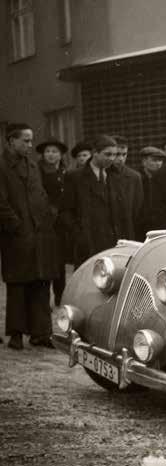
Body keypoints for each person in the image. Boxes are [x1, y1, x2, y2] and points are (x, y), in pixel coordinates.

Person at [0, 124, 58, 349]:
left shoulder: (32, 165)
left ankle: (41, 333)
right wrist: (15, 225)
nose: (30, 145)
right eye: (25, 141)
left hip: (39, 233)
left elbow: (40, 194)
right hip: (16, 235)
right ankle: (16, 334)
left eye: (31, 141)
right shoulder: (2, 166)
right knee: (18, 283)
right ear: (11, 141)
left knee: (40, 281)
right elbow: (1, 202)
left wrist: (47, 216)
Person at [62, 135, 135, 265]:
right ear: (95, 153)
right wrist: (79, 235)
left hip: (115, 244)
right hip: (89, 244)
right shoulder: (75, 177)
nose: (112, 158)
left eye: (114, 154)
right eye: (107, 154)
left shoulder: (116, 176)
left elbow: (125, 212)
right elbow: (66, 211)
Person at [36, 137, 70, 306]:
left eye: (54, 151)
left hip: (62, 224)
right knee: (46, 261)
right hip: (45, 222)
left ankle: (60, 297)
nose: (51, 155)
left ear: (61, 154)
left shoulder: (65, 171)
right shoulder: (38, 171)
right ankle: (43, 300)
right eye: (48, 151)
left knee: (60, 262)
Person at [112, 135, 143, 240]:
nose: (121, 158)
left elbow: (138, 209)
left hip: (128, 231)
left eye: (124, 154)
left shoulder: (134, 177)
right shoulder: (103, 175)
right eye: (117, 154)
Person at [136, 146, 165, 240]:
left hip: (159, 224)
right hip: (141, 225)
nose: (158, 164)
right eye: (154, 160)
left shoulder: (163, 178)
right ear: (144, 161)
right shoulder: (137, 178)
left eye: (160, 160)